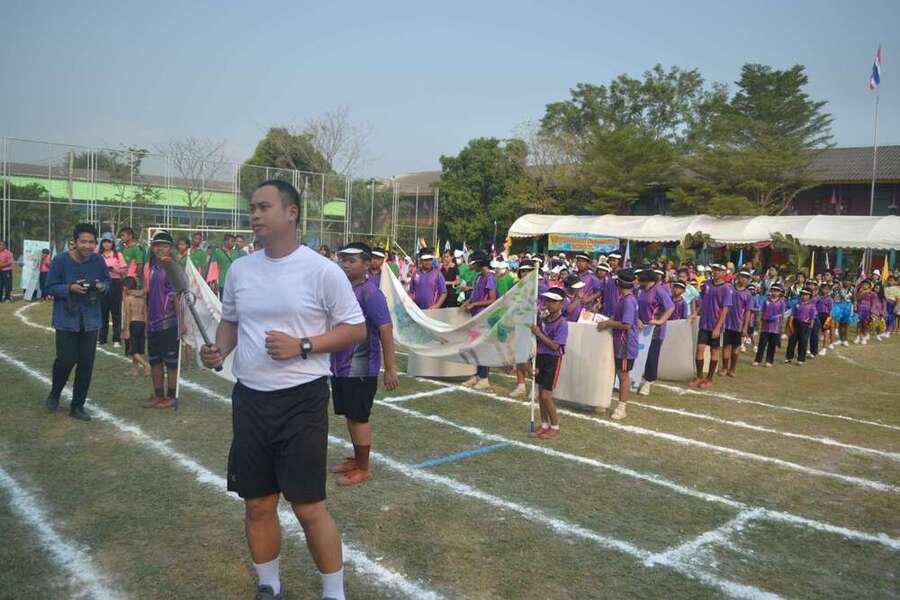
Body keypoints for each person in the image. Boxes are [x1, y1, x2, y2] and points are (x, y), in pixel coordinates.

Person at [200, 179, 365, 600]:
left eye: (264, 207)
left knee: (308, 506)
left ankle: (334, 592)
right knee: (257, 503)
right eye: (252, 208)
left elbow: (354, 328)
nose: (254, 215)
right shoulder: (241, 269)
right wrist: (219, 349)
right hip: (250, 399)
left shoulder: (322, 270)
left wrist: (303, 345)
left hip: (301, 400)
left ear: (291, 213)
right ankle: (269, 585)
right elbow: (231, 321)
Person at [330, 242, 400, 486]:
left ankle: (363, 468)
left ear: (367, 263)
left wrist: (390, 368)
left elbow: (386, 329)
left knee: (359, 417)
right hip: (340, 365)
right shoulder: (344, 290)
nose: (345, 264)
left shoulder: (371, 293)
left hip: (360, 367)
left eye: (352, 261)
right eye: (343, 260)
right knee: (350, 415)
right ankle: (357, 459)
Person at [43, 223, 111, 421]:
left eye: (91, 242)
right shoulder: (60, 260)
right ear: (74, 242)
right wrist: (69, 288)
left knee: (86, 364)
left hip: (91, 320)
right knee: (66, 360)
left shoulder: (98, 260)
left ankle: (77, 405)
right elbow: (49, 287)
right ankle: (55, 393)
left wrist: (101, 286)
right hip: (66, 319)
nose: (87, 246)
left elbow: (107, 282)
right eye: (83, 242)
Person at [142, 231, 182, 410]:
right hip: (153, 322)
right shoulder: (152, 268)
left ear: (170, 248)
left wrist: (182, 322)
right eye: (157, 245)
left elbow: (179, 296)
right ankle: (158, 395)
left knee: (171, 363)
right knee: (155, 361)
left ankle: (171, 397)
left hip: (169, 322)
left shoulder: (172, 268)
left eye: (164, 246)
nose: (160, 249)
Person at [528, 286, 568, 439]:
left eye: (553, 301)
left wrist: (539, 334)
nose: (549, 304)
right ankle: (544, 424)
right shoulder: (543, 319)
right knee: (540, 394)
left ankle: (555, 427)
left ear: (561, 304)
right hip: (541, 357)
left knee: (546, 396)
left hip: (553, 359)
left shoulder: (562, 323)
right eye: (547, 300)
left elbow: (555, 346)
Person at [597, 268, 637, 420]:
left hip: (625, 345)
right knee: (614, 372)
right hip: (618, 342)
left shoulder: (628, 301)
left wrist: (608, 323)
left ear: (619, 284)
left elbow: (626, 325)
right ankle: (604, 400)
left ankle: (622, 407)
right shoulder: (624, 299)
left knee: (623, 375)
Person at [691, 263, 733, 389]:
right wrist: (695, 312)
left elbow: (725, 309)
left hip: (715, 325)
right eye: (714, 270)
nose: (715, 272)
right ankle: (699, 376)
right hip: (704, 323)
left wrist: (718, 327)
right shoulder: (707, 284)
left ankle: (709, 379)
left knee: (714, 351)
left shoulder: (727, 288)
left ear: (724, 273)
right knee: (700, 349)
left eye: (718, 270)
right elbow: (701, 300)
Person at [636, 266, 674, 395]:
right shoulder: (640, 290)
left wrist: (660, 321)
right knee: (637, 353)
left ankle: (648, 381)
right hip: (640, 326)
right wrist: (637, 319)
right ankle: (634, 378)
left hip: (655, 329)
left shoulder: (659, 291)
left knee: (652, 355)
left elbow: (670, 307)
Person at [461, 250, 496, 389]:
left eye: (473, 263)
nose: (471, 265)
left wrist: (475, 304)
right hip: (476, 317)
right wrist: (467, 302)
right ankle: (477, 375)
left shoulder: (490, 278)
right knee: (476, 347)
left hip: (485, 317)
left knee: (483, 347)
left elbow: (492, 300)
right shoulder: (478, 277)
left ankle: (484, 378)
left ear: (480, 263)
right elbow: (474, 295)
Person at [98, 232, 127, 348]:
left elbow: (124, 270)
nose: (106, 244)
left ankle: (116, 339)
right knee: (103, 312)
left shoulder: (118, 255)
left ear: (112, 243)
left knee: (116, 313)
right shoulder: (98, 255)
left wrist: (114, 269)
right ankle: (102, 339)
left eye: (109, 242)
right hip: (102, 284)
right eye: (104, 242)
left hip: (115, 283)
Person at [720, 270, 752, 377]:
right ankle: (724, 368)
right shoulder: (729, 288)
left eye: (746, 278)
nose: (744, 279)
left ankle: (732, 369)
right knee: (726, 346)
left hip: (738, 324)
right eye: (742, 276)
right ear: (738, 277)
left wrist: (745, 327)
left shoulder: (748, 294)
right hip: (726, 323)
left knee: (736, 347)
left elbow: (748, 311)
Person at [121, 276, 150, 376]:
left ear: (126, 287)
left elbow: (127, 314)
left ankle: (146, 365)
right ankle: (135, 370)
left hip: (132, 324)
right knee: (137, 349)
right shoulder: (142, 298)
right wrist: (145, 328)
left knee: (132, 350)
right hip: (141, 323)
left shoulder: (127, 299)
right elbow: (145, 313)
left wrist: (126, 330)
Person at [753, 284, 786, 367]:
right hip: (765, 326)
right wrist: (762, 319)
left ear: (780, 292)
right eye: (773, 290)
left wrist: (775, 317)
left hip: (775, 327)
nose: (774, 292)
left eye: (777, 291)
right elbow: (762, 311)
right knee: (762, 344)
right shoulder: (766, 301)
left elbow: (782, 314)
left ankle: (769, 361)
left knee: (772, 345)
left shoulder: (781, 302)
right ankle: (757, 360)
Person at [785, 287, 816, 365]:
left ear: (810, 296)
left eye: (806, 295)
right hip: (795, 324)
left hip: (805, 325)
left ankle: (800, 359)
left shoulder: (811, 306)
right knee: (792, 341)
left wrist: (810, 327)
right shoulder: (797, 304)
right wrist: (790, 324)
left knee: (803, 342)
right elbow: (792, 315)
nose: (804, 296)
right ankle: (789, 357)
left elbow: (812, 318)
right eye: (802, 294)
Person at [855, 280, 877, 344]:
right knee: (859, 324)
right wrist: (861, 292)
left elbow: (874, 303)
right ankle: (858, 336)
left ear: (869, 286)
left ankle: (864, 337)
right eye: (863, 284)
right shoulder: (859, 291)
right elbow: (857, 299)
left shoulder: (872, 293)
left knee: (865, 324)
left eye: (866, 284)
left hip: (867, 310)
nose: (864, 285)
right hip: (860, 310)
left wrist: (873, 311)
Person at [817, 282, 835, 352]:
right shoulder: (818, 298)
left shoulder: (829, 299)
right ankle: (815, 346)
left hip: (826, 316)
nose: (825, 290)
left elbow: (830, 310)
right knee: (818, 331)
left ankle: (824, 347)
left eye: (827, 289)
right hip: (818, 315)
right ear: (821, 289)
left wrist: (829, 319)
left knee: (826, 332)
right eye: (824, 289)